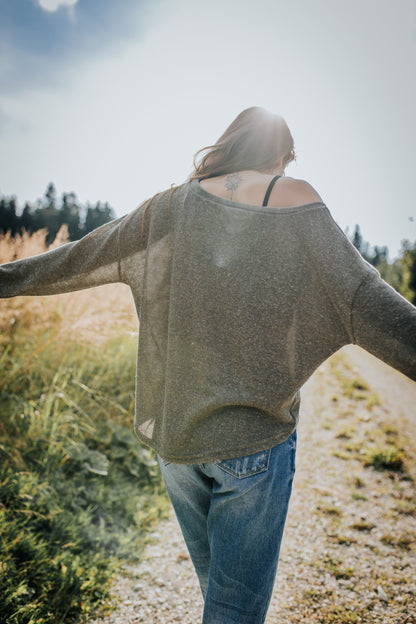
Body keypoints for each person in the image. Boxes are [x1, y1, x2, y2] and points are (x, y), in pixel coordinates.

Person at [1, 106, 415, 624]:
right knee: (233, 610)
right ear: (281, 155)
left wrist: (4, 279)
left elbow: (80, 256)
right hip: (251, 447)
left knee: (218, 595)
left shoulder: (169, 205)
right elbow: (365, 300)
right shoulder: (296, 198)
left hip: (176, 445)